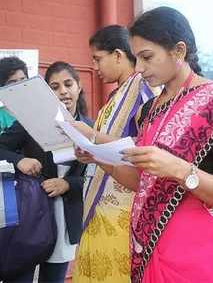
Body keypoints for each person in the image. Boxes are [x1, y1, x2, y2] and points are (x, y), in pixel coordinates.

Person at [74, 6, 213, 283]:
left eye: (147, 57)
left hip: (201, 257)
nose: (139, 69)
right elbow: (142, 181)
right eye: (136, 59)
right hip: (150, 247)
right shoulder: (149, 110)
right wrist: (99, 157)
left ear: (179, 51)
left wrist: (180, 169)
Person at [0, 61, 93, 283]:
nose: (63, 91)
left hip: (66, 216)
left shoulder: (90, 127)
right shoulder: (30, 122)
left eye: (68, 84)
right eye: (54, 87)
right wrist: (19, 160)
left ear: (79, 86)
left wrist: (68, 184)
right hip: (31, 213)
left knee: (53, 279)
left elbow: (95, 175)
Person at [73, 25, 155, 283]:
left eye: (98, 59)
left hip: (123, 208)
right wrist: (90, 152)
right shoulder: (116, 96)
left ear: (118, 55)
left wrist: (92, 136)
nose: (95, 68)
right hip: (100, 203)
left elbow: (141, 147)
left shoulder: (142, 90)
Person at [0, 56, 28, 154]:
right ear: (1, 87)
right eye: (12, 82)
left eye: (23, 79)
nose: (19, 86)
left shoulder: (39, 111)